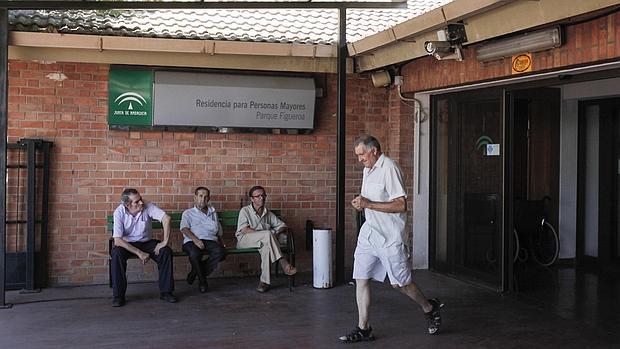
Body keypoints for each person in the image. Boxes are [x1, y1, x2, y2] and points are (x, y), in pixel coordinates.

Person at [339, 135, 444, 343]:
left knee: (400, 284)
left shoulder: (390, 168)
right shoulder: (367, 170)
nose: (359, 159)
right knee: (361, 278)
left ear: (374, 150)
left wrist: (368, 204)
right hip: (369, 233)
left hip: (390, 237)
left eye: (362, 154)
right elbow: (370, 201)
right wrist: (361, 204)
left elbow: (401, 204)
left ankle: (429, 307)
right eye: (358, 155)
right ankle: (364, 328)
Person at [110, 188, 177, 307]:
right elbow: (118, 240)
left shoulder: (147, 206)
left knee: (165, 251)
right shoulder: (119, 212)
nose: (141, 202)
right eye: (137, 202)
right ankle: (118, 296)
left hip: (146, 242)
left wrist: (165, 241)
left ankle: (166, 292)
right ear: (127, 205)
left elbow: (166, 218)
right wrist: (139, 253)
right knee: (116, 254)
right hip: (127, 244)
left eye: (140, 199)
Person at [236, 185, 297, 292]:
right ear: (252, 199)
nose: (261, 198)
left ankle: (264, 282)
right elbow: (244, 230)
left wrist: (276, 233)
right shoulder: (245, 211)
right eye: (258, 196)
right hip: (244, 240)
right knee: (267, 234)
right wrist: (265, 234)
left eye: (263, 195)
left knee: (266, 249)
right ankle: (283, 262)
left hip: (263, 241)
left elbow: (283, 225)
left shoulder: (267, 213)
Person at [180, 186, 226, 293]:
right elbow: (184, 229)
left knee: (221, 252)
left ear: (209, 199)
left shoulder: (213, 212)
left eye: (205, 197)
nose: (203, 199)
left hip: (210, 240)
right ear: (195, 198)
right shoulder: (188, 213)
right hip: (191, 241)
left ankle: (195, 272)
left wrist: (222, 243)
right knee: (195, 254)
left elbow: (218, 229)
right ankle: (202, 281)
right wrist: (196, 240)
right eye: (200, 196)